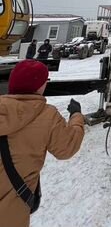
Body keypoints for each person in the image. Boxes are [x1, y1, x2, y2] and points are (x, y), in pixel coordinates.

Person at [0, 60, 84, 227]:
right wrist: (76, 116)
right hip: (11, 215)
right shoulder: (47, 116)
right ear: (39, 86)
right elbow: (66, 148)